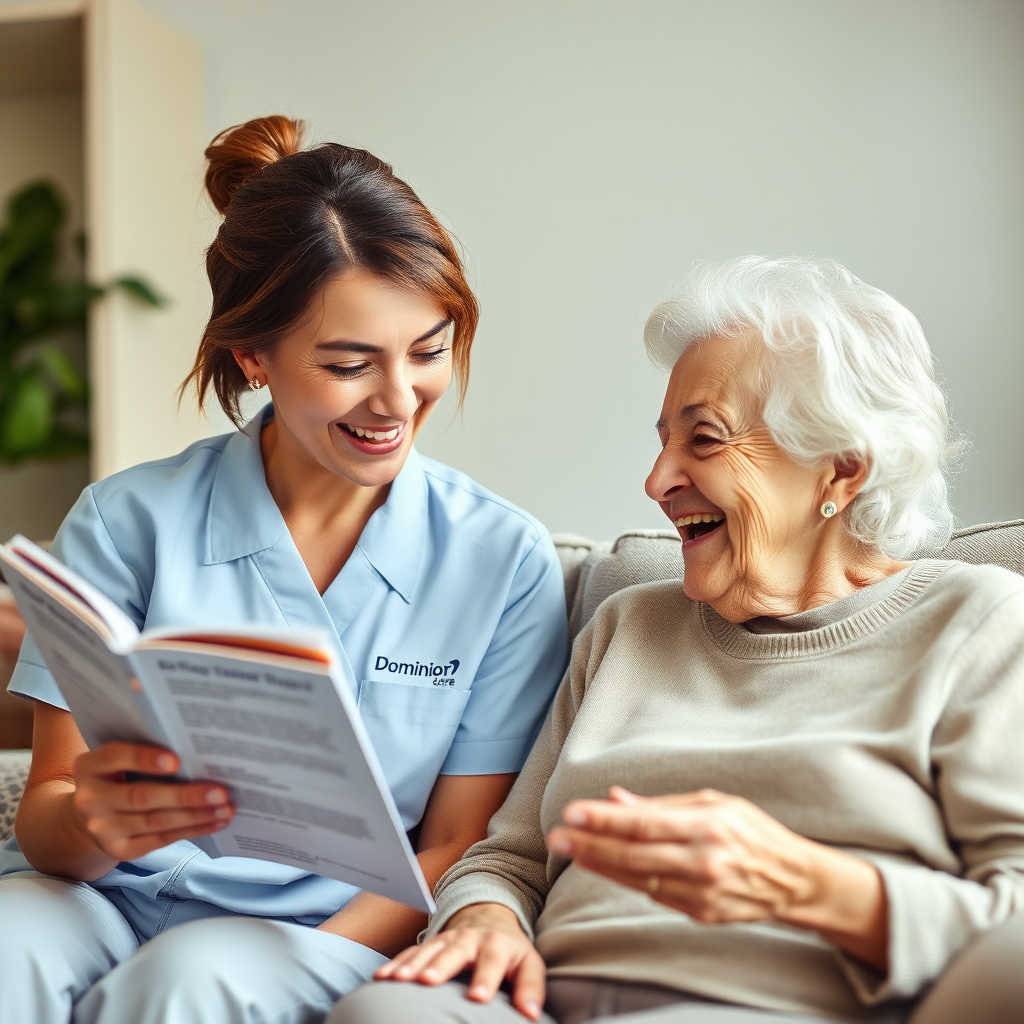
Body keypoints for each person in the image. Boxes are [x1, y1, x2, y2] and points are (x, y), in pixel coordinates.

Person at [332, 256, 1024, 1024]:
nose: (658, 479)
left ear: (841, 471)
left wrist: (810, 885)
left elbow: (1013, 924)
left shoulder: (977, 621)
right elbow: (507, 860)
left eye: (705, 440)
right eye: (664, 442)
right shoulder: (629, 626)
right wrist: (484, 917)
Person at [0, 116, 568, 1024]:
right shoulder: (126, 519)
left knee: (192, 975)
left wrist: (327, 954)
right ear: (253, 355)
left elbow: (456, 845)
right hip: (95, 894)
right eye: (349, 364)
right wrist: (91, 824)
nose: (397, 401)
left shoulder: (503, 559)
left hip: (318, 928)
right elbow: (51, 815)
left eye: (427, 352)